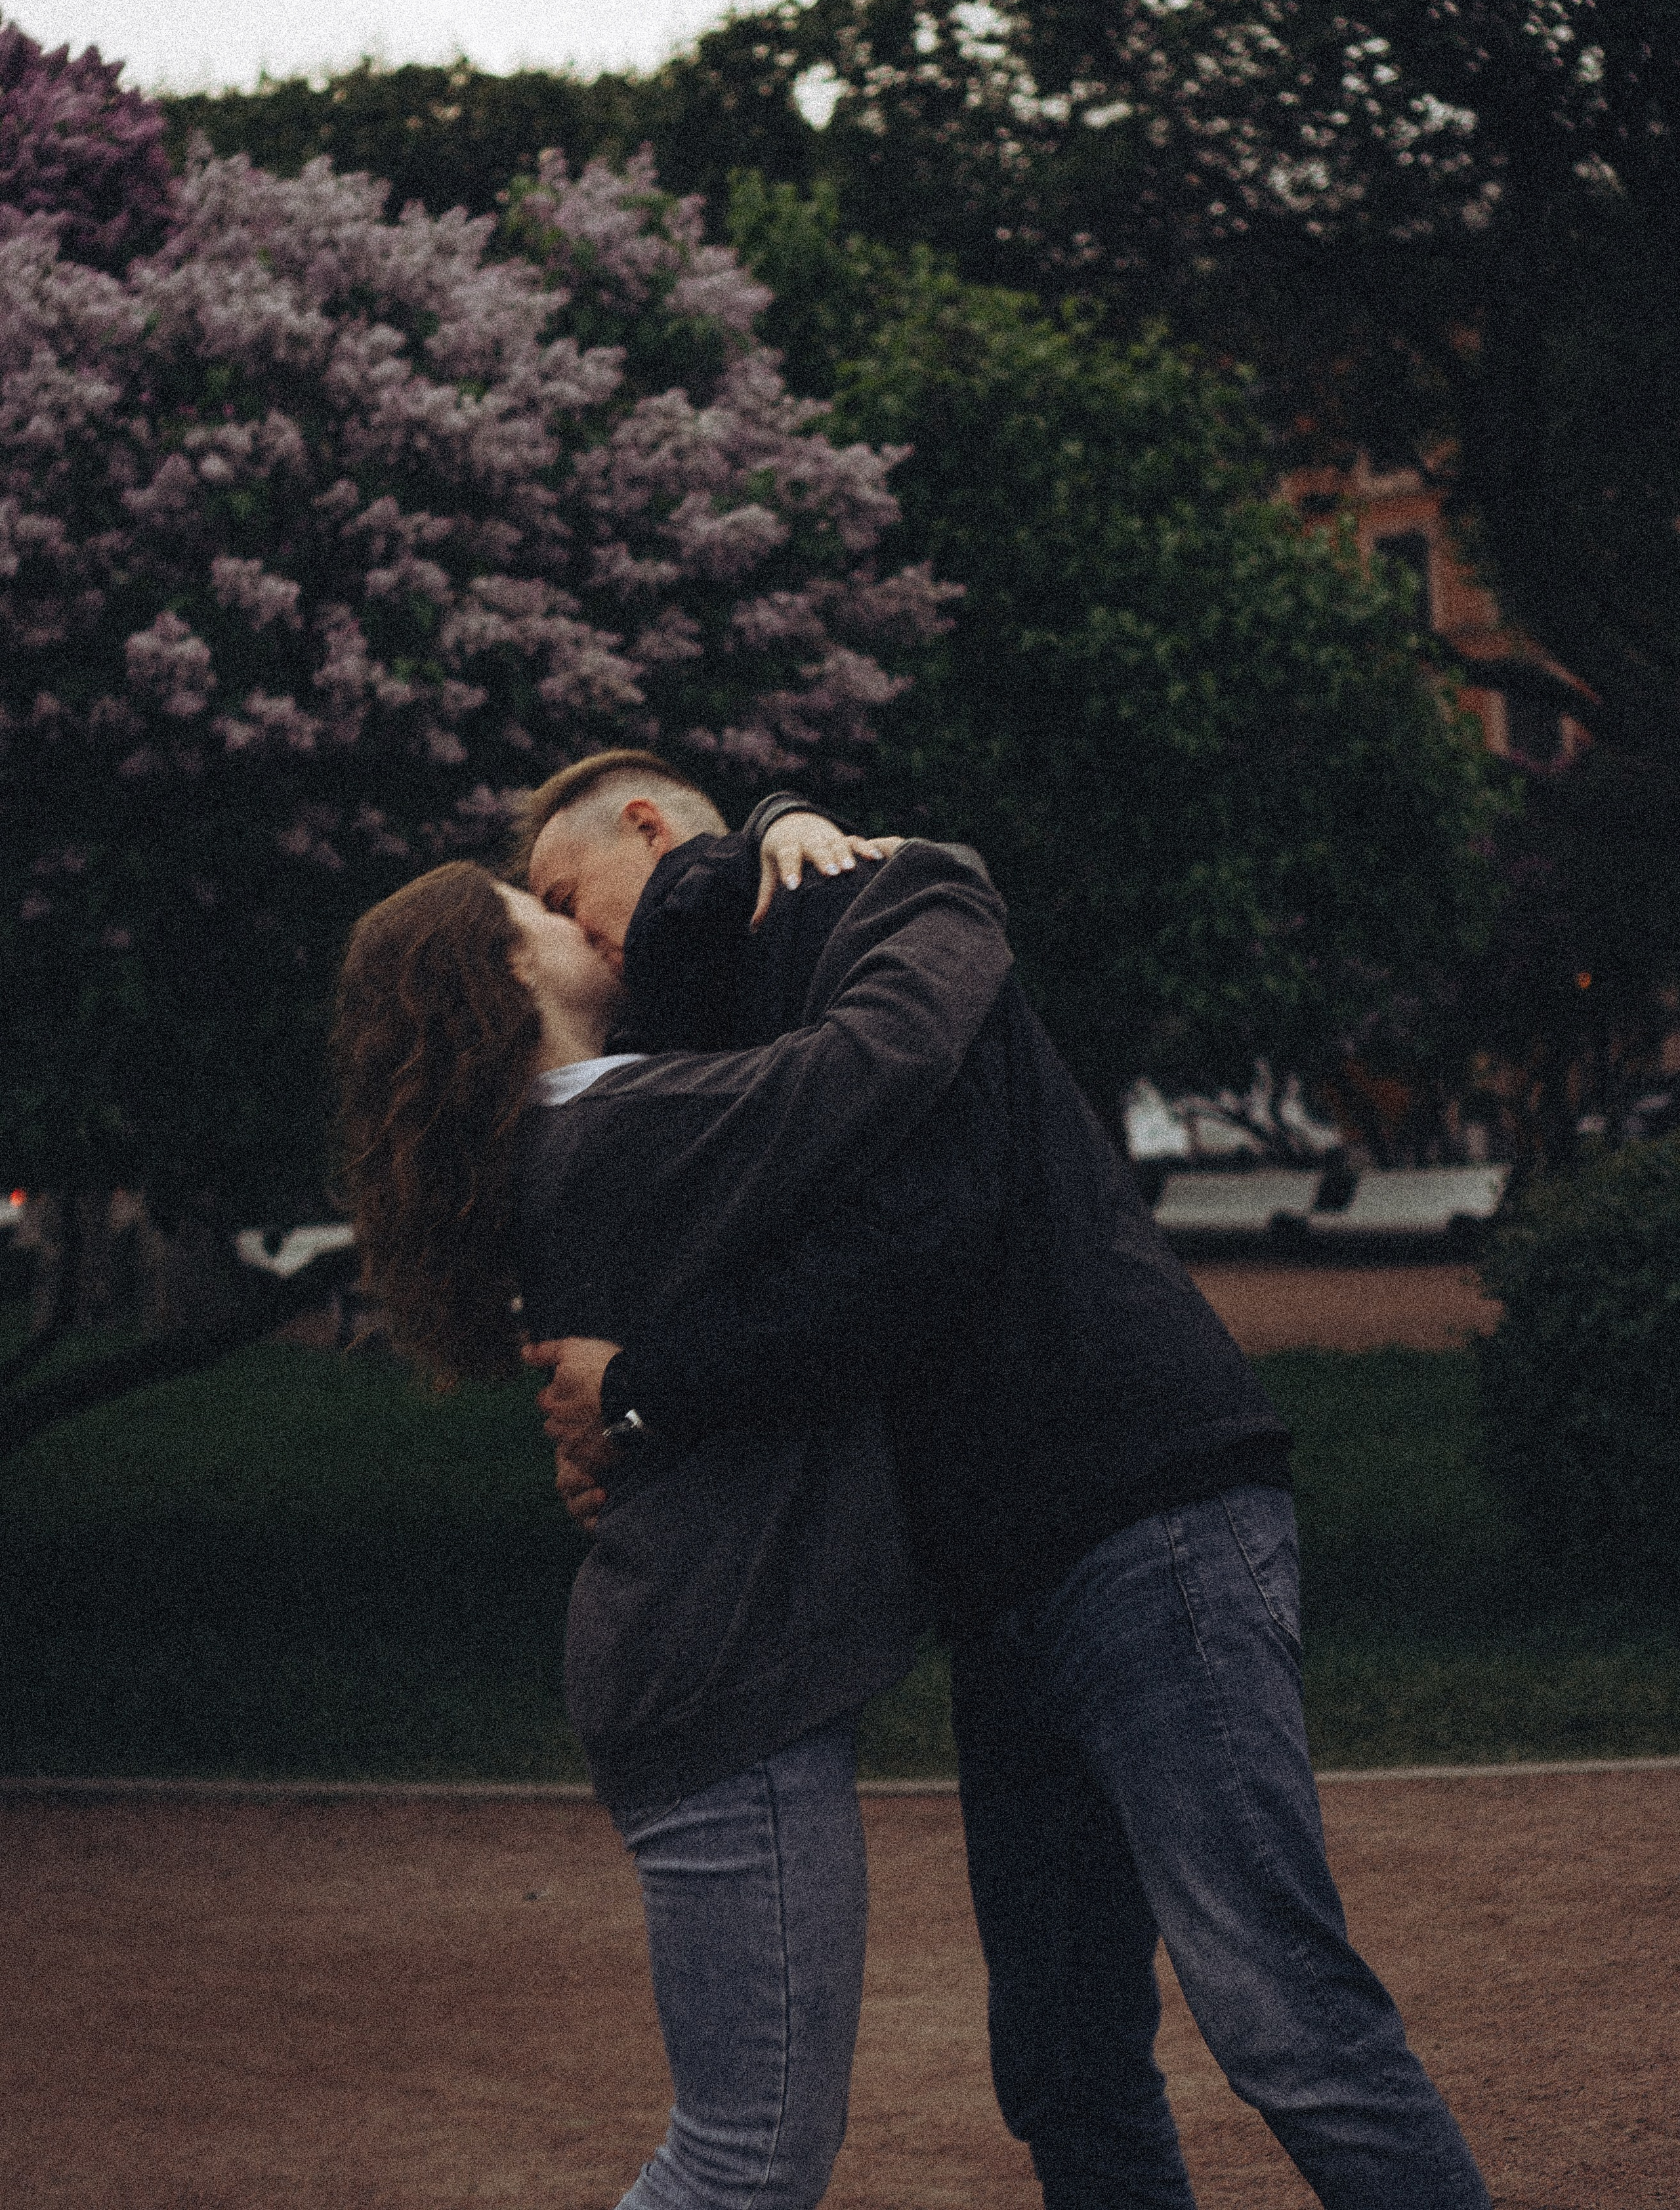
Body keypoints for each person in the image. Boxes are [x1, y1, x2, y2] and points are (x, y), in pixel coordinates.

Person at [519, 752, 1493, 2210]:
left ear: (650, 826)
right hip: (1000, 1575)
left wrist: (649, 1389)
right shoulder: (725, 1029)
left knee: (1282, 2016)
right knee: (1059, 2059)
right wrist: (614, 1426)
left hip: (1139, 1509)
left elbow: (927, 1237)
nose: (569, 929)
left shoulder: (858, 900)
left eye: (559, 893)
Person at [332, 836, 1014, 2210]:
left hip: (699, 1664)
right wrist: (940, 880)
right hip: (718, 1678)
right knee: (745, 2155)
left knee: (751, 2147)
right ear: (509, 971)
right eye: (539, 906)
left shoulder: (589, 1129)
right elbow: (877, 1058)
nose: (578, 916)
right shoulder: (612, 1131)